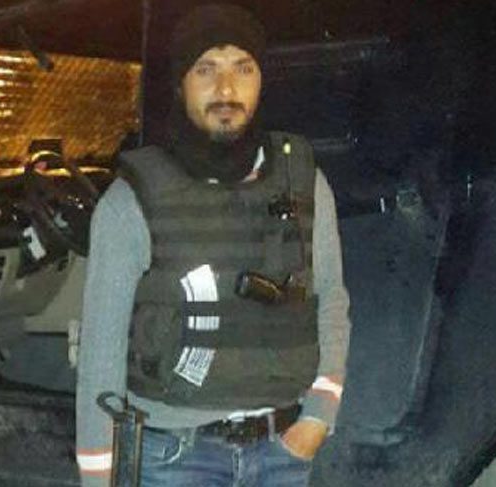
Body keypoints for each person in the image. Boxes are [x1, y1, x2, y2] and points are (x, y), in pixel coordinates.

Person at [76, 3, 351, 486]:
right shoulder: (131, 200)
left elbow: (330, 300)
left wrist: (317, 417)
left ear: (262, 79)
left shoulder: (304, 181)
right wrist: (99, 475)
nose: (226, 89)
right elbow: (101, 354)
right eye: (206, 69)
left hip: (281, 454)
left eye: (243, 68)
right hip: (172, 458)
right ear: (180, 83)